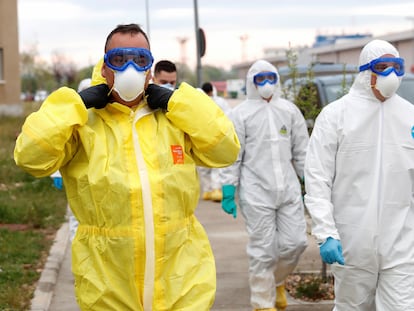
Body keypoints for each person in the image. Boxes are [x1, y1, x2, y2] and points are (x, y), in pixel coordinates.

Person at [14, 23, 240, 311]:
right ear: (105, 67)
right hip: (108, 284)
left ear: (150, 69)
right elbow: (29, 157)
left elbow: (226, 150)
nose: (129, 68)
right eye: (119, 60)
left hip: (181, 279)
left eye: (140, 60)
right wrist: (75, 105)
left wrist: (180, 104)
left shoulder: (173, 117)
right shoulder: (83, 123)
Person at [304, 39, 414, 310]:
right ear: (367, 72)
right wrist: (326, 232)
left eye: (396, 67)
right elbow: (318, 177)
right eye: (383, 67)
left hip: (401, 239)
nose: (391, 74)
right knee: (352, 307)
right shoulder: (335, 116)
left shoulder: (409, 115)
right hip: (352, 241)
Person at [220, 60, 309, 311]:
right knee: (263, 250)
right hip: (256, 190)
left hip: (288, 189)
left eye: (271, 77)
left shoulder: (289, 111)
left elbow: (302, 151)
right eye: (261, 79)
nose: (267, 84)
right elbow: (233, 154)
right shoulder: (241, 114)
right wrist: (229, 188)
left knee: (296, 243)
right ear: (252, 82)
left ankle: (277, 280)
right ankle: (262, 302)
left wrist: (309, 183)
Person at [198, 81, 232, 202]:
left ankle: (207, 190)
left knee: (203, 166)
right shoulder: (220, 102)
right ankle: (215, 189)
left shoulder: (198, 100)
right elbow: (228, 116)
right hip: (216, 136)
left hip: (200, 137)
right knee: (215, 166)